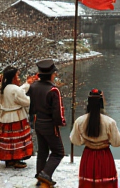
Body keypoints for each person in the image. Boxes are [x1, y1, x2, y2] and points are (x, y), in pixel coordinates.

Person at [70, 88, 120, 188]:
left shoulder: (80, 121)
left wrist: (86, 140)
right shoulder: (109, 122)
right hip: (104, 156)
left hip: (88, 156)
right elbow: (117, 142)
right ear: (101, 102)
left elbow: (75, 140)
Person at [27, 59, 66, 187]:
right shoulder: (53, 90)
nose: (55, 75)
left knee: (42, 151)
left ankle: (40, 179)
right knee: (58, 152)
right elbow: (57, 112)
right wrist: (61, 123)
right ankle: (45, 174)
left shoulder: (33, 87)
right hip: (50, 124)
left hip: (37, 122)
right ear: (51, 74)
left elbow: (31, 108)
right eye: (54, 73)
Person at [0, 65, 33, 168]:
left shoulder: (4, 88)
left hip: (5, 117)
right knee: (17, 140)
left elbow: (18, 91)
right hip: (16, 117)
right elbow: (26, 101)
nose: (19, 79)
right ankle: (16, 160)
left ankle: (9, 159)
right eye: (17, 76)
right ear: (13, 78)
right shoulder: (14, 89)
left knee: (9, 140)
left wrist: (27, 84)